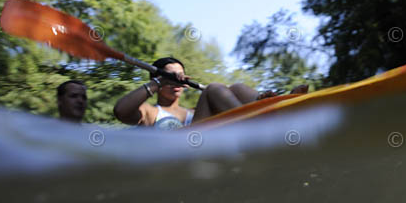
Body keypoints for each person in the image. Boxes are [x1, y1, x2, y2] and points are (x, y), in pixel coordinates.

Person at [114, 57, 289, 127]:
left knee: (235, 88)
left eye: (179, 76)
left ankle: (271, 103)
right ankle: (255, 122)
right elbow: (121, 111)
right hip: (183, 157)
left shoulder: (194, 112)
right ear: (158, 80)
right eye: (171, 76)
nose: (176, 80)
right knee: (213, 89)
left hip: (209, 146)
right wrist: (159, 82)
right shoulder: (150, 112)